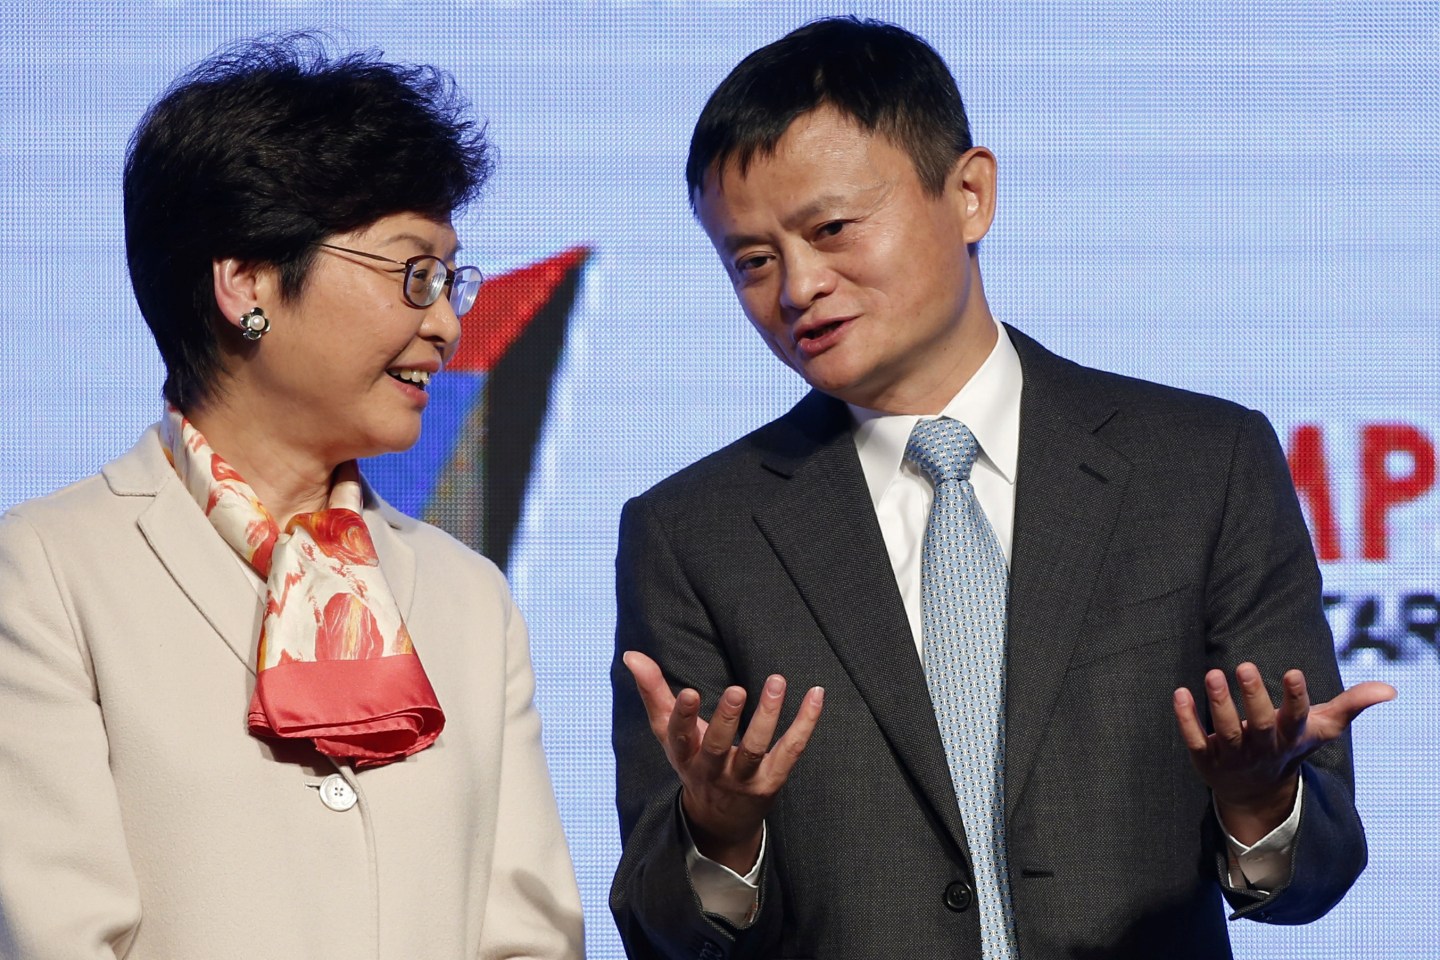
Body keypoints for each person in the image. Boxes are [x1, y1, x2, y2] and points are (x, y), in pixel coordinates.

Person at [610, 17, 1395, 960]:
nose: (799, 287)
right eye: (753, 260)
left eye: (831, 229)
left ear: (971, 192)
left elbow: (1314, 876)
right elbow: (660, 928)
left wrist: (1262, 798)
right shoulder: (695, 532)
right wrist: (719, 832)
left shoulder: (1202, 464)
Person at [0, 35, 583, 959]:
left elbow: (528, 934)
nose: (446, 321)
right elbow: (57, 933)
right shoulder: (44, 572)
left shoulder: (470, 598)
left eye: (449, 278)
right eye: (413, 273)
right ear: (249, 285)